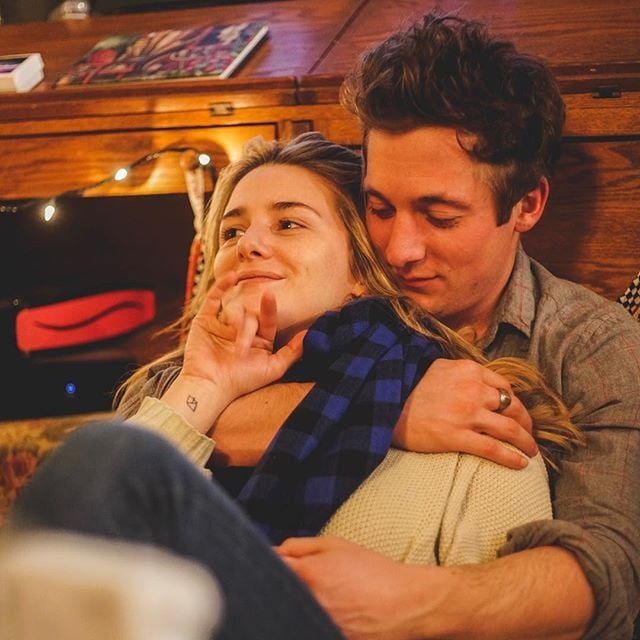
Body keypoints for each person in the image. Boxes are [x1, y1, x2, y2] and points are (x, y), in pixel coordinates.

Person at [12, 132, 579, 638]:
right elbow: (99, 567)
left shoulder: (476, 420)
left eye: (288, 223)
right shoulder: (171, 399)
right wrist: (205, 383)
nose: (247, 245)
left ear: (360, 270)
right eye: (231, 231)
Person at [209, 12, 639, 640]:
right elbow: (161, 407)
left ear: (527, 205)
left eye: (439, 216)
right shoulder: (331, 283)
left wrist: (422, 601)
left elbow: (614, 570)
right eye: (379, 207)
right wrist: (390, 410)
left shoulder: (591, 347)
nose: (398, 248)